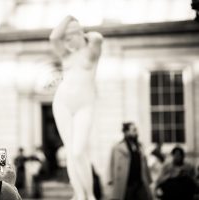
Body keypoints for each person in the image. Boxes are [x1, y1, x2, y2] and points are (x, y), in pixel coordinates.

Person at [49, 15, 103, 200]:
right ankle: (79, 194)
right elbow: (54, 38)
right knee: (71, 151)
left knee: (80, 150)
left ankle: (90, 194)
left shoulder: (91, 51)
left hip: (85, 104)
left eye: (71, 36)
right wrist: (67, 19)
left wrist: (78, 29)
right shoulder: (66, 54)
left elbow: (97, 37)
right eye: (67, 38)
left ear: (80, 34)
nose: (67, 41)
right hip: (62, 103)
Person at [108, 122, 152, 200]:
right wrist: (110, 179)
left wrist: (149, 179)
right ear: (126, 132)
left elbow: (145, 164)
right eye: (134, 130)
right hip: (126, 184)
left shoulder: (140, 146)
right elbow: (111, 164)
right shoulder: (118, 147)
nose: (136, 132)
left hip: (140, 183)